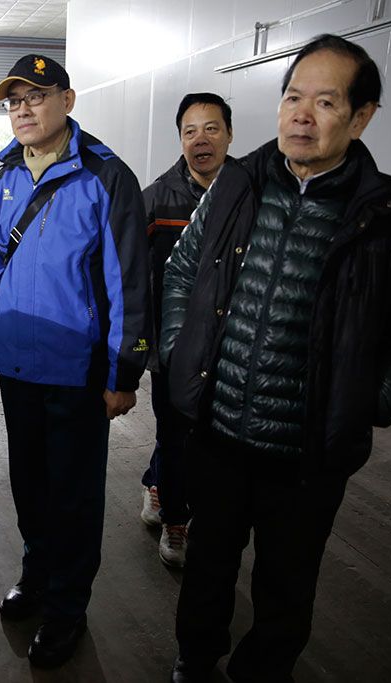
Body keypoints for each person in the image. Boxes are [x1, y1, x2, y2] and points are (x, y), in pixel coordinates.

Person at [160, 35, 391, 683]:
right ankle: (195, 658)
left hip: (308, 451)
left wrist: (372, 397)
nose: (301, 114)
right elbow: (182, 270)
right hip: (219, 428)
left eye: (325, 102)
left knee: (287, 580)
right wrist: (179, 351)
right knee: (208, 562)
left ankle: (262, 672)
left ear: (361, 117)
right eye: (293, 97)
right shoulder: (237, 184)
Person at [0, 54, 152, 668]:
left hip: (78, 373)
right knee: (30, 486)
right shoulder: (1, 183)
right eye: (13, 101)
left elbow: (128, 283)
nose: (22, 109)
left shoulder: (105, 177)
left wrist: (123, 373)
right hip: (18, 370)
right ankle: (38, 575)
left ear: (67, 101)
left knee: (73, 498)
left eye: (36, 96)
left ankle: (68, 608)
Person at [140, 92, 234, 568]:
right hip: (172, 347)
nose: (201, 139)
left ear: (229, 135)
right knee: (175, 434)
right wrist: (137, 344)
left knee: (213, 439)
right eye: (190, 131)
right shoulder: (156, 199)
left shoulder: (252, 195)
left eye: (211, 128)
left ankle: (156, 484)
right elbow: (131, 275)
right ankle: (176, 521)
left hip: (228, 348)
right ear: (180, 139)